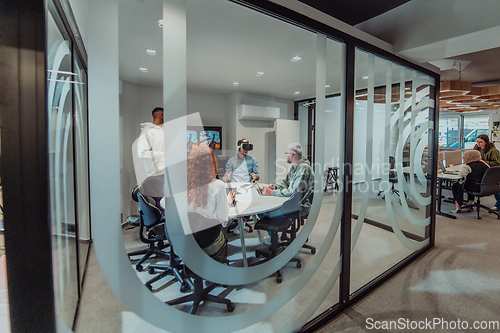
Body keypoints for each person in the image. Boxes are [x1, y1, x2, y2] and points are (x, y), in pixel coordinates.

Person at [187, 145, 234, 262]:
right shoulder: (218, 186)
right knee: (223, 226)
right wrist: (227, 202)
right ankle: (218, 260)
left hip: (182, 241)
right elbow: (223, 218)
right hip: (207, 241)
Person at [261, 143, 314, 217]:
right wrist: (276, 187)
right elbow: (286, 183)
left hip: (298, 207)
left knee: (265, 212)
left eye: (286, 153)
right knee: (265, 209)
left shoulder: (304, 168)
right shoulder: (294, 167)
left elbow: (292, 192)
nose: (286, 155)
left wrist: (272, 192)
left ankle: (272, 227)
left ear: (291, 155)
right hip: (291, 203)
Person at [473, 134, 500, 210]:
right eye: (477, 141)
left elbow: (497, 163)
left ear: (486, 142)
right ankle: (470, 200)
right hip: (481, 170)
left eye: (480, 142)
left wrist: (483, 162)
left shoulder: (493, 151)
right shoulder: (477, 147)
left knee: (494, 187)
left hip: (492, 172)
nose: (478, 144)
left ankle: (499, 205)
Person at [137, 107, 165, 178]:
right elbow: (142, 153)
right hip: (155, 174)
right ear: (160, 115)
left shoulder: (162, 131)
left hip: (165, 170)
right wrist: (165, 154)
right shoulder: (147, 132)